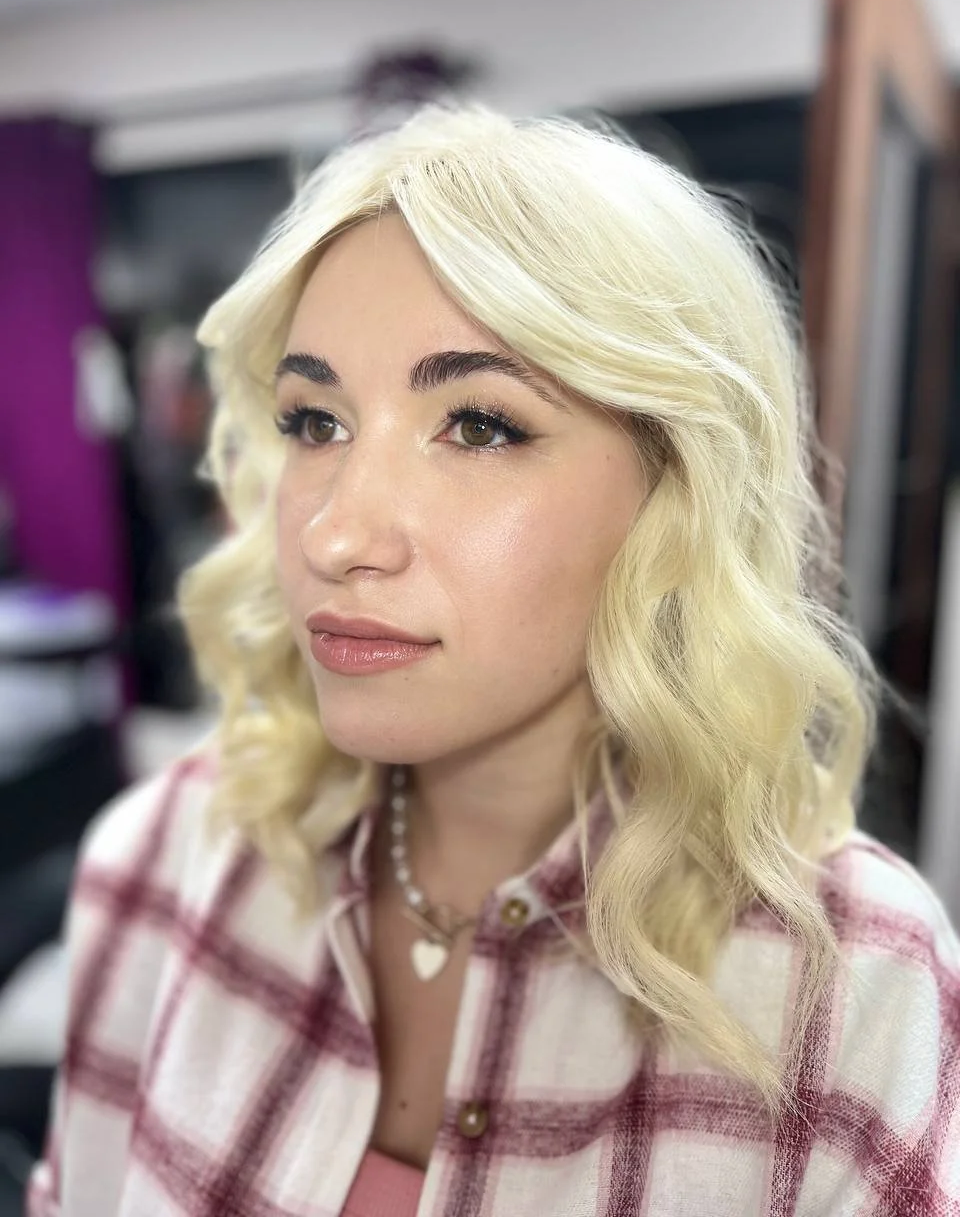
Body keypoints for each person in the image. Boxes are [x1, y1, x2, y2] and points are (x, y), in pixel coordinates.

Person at [28, 105, 960, 1217]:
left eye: (478, 424)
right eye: (315, 420)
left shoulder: (847, 981)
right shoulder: (168, 856)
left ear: (675, 493)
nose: (333, 534)